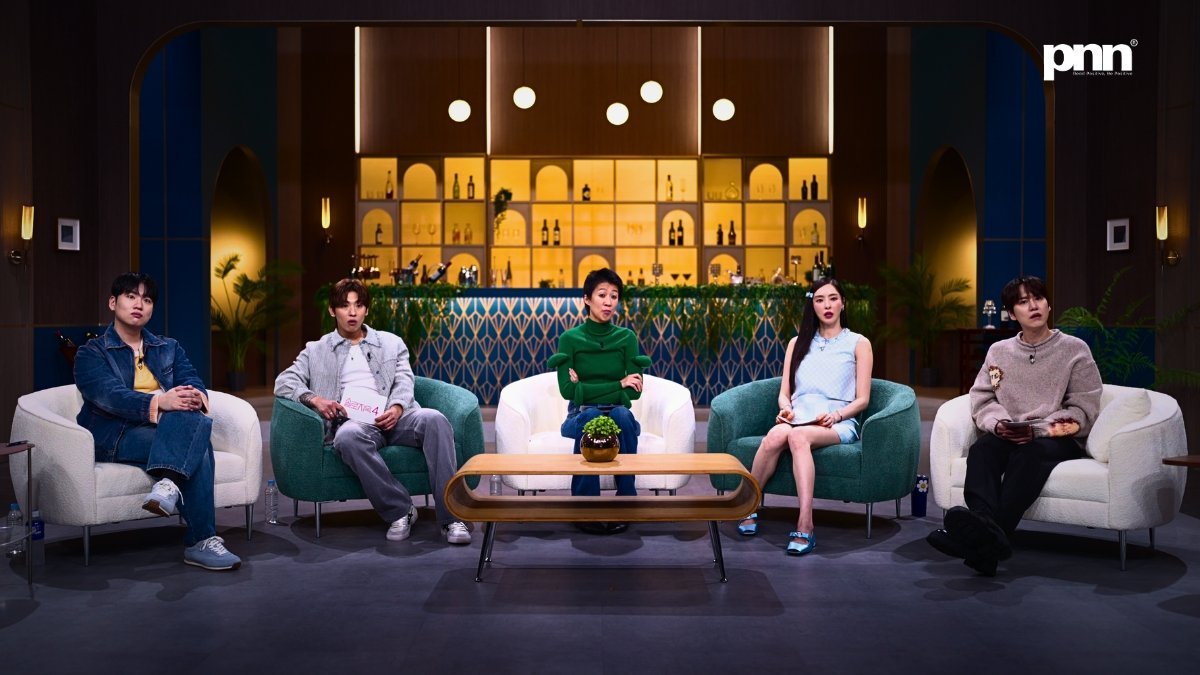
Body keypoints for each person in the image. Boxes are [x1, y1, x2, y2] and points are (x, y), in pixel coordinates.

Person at [927, 275, 1101, 576]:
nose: (1033, 306)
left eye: (1038, 298)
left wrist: (1039, 429)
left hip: (1055, 438)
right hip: (1010, 431)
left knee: (1029, 454)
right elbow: (983, 397)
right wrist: (1000, 424)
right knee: (982, 450)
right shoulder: (999, 352)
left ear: (1049, 305)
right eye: (1023, 301)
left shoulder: (1075, 350)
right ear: (1011, 313)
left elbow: (1083, 409)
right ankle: (986, 537)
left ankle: (980, 540)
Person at [274, 278, 471, 545]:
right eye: (345, 306)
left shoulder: (391, 343)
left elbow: (404, 380)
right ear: (332, 310)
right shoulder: (316, 350)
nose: (352, 312)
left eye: (358, 305)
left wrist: (397, 407)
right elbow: (284, 382)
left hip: (398, 416)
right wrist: (315, 400)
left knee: (435, 419)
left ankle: (452, 518)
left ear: (366, 309)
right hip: (356, 423)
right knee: (346, 437)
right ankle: (400, 510)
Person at [74, 273, 241, 570]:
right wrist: (160, 402)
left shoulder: (168, 347)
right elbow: (109, 396)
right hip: (115, 434)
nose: (139, 304)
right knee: (200, 444)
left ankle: (168, 485)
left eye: (147, 299)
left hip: (167, 427)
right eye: (130, 296)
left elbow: (192, 381)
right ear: (113, 302)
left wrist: (193, 396)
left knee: (191, 421)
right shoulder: (91, 353)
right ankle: (201, 541)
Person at [736, 278, 873, 556]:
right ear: (813, 306)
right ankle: (747, 505)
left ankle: (805, 524)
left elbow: (863, 399)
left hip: (837, 420)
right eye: (820, 300)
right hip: (799, 415)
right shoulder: (797, 343)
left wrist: (837, 415)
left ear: (843, 303)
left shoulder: (859, 343)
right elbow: (784, 393)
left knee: (798, 437)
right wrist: (786, 409)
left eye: (833, 298)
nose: (827, 305)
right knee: (774, 436)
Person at [548, 268, 651, 535]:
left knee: (622, 415)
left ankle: (626, 502)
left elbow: (634, 393)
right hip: (580, 414)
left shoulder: (626, 338)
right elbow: (568, 392)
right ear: (587, 299)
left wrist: (584, 388)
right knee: (593, 417)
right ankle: (584, 507)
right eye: (602, 295)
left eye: (614, 296)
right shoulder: (570, 339)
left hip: (617, 413)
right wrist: (618, 385)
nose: (608, 302)